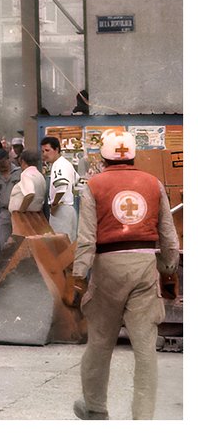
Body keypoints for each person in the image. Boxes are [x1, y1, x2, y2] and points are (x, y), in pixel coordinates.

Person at [71, 132, 179, 420]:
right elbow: (169, 236)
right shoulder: (153, 184)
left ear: (104, 158)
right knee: (145, 349)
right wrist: (168, 271)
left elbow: (86, 239)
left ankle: (95, 408)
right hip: (144, 264)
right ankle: (143, 419)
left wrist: (79, 277)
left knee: (100, 342)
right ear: (133, 156)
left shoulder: (93, 185)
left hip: (107, 266)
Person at [43, 136, 79, 240]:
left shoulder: (58, 165)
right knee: (70, 242)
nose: (45, 154)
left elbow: (62, 186)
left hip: (60, 209)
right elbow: (78, 182)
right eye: (43, 151)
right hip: (69, 209)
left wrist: (54, 204)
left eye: (47, 150)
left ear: (57, 150)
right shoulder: (66, 163)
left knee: (61, 244)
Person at [0, 146, 22, 252]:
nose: (2, 166)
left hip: (20, 212)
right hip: (5, 213)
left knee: (21, 242)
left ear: (8, 159)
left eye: (3, 163)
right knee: (5, 244)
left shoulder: (20, 172)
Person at [11, 148, 47, 218]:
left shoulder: (26, 174)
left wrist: (21, 212)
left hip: (26, 215)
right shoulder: (39, 175)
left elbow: (29, 194)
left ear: (22, 161)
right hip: (36, 213)